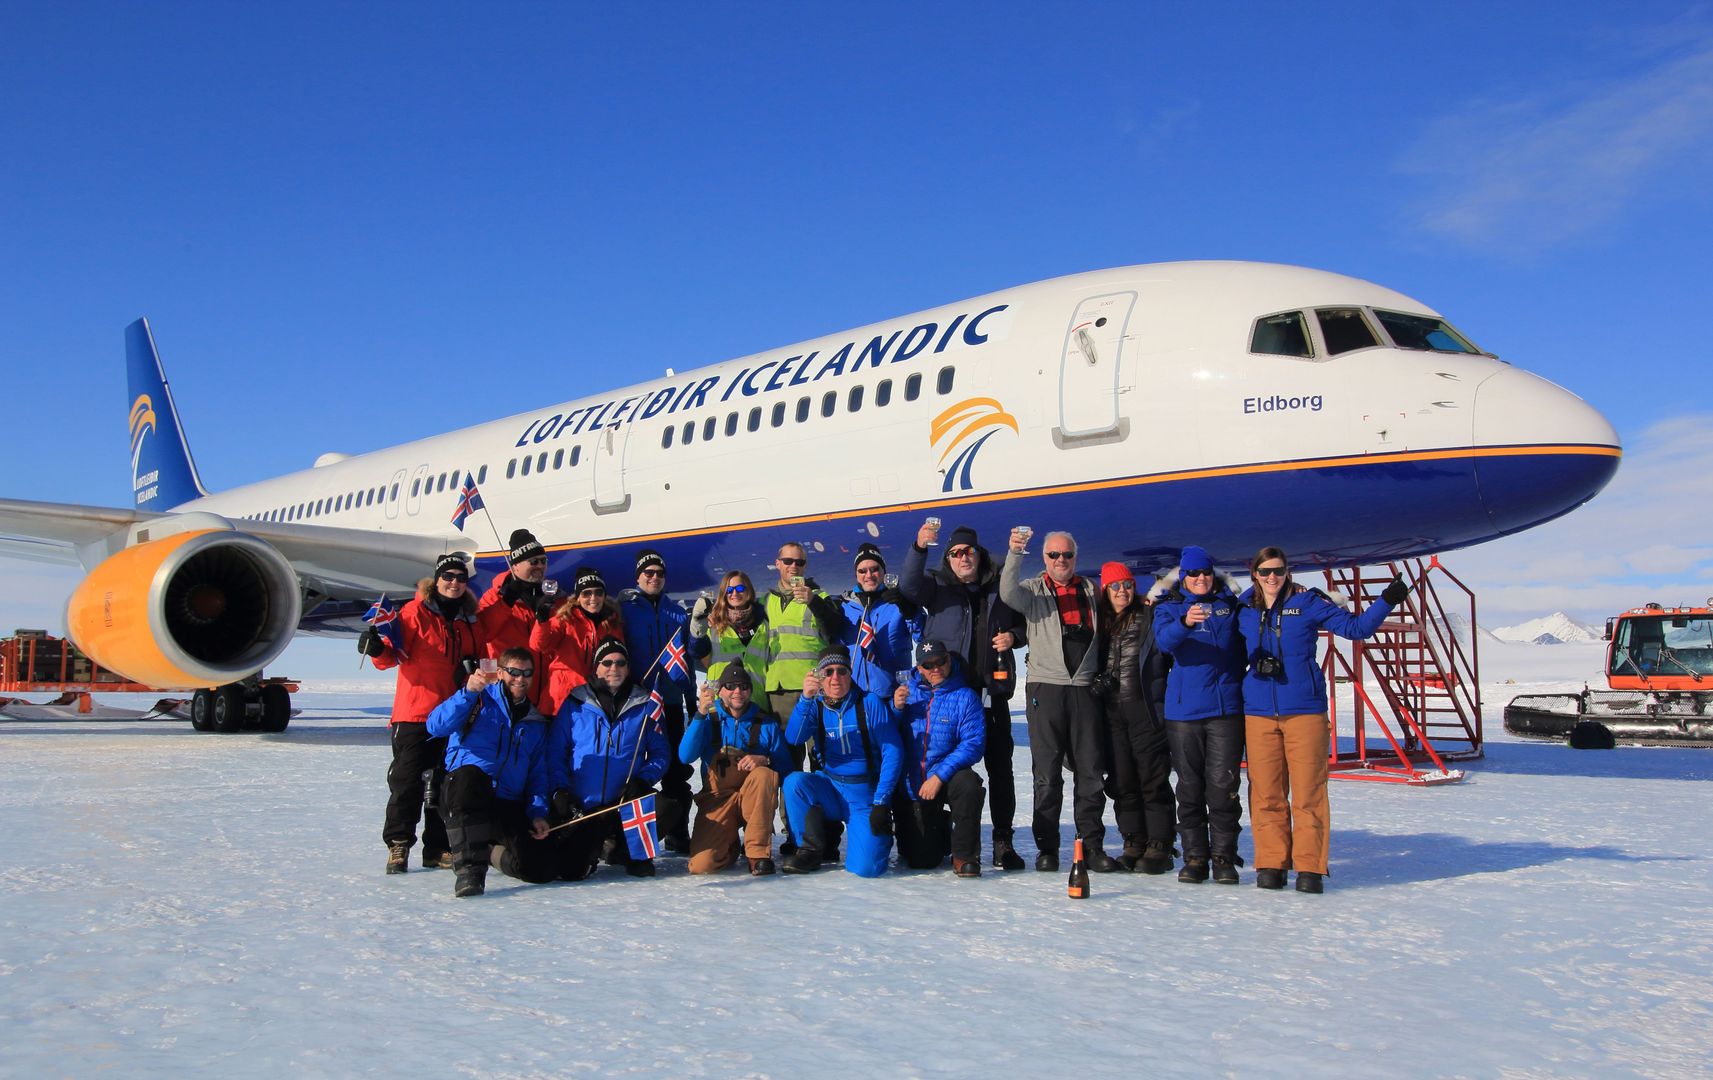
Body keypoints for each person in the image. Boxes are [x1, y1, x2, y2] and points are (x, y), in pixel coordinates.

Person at [1238, 547, 1408, 894]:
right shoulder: (1244, 609)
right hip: (1257, 712)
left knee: (1308, 792)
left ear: (1288, 572)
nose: (1272, 577)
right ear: (1254, 573)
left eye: (1279, 571)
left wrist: (1387, 599)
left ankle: (1309, 867)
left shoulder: (1309, 603)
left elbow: (1356, 628)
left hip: (1304, 711)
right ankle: (1271, 863)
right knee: (1265, 792)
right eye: (1265, 571)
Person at [900, 521, 1027, 869]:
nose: (962, 558)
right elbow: (909, 586)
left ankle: (1003, 841)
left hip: (991, 694)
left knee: (1001, 771)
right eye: (955, 553)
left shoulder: (999, 584)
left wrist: (1014, 636)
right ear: (949, 558)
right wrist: (919, 546)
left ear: (978, 553)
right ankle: (939, 830)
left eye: (967, 551)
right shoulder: (938, 587)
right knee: (951, 769)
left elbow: (1023, 620)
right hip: (949, 695)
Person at [999, 529, 1119, 872]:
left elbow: (1120, 610)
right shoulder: (1033, 592)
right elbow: (1007, 592)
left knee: (1090, 771)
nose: (1061, 561)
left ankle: (1092, 846)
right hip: (1045, 689)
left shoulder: (1090, 591)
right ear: (1045, 559)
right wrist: (1015, 553)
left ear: (1075, 558)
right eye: (1053, 555)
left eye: (1067, 555)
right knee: (1047, 775)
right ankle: (1047, 848)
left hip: (1084, 689)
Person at [360, 552, 486, 875]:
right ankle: (398, 845)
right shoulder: (413, 613)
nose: (454, 583)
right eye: (448, 577)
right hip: (414, 713)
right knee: (407, 783)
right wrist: (375, 648)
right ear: (437, 580)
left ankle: (437, 848)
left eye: (460, 578)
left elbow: (484, 658)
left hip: (453, 716)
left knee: (445, 784)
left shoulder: (470, 620)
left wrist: (481, 675)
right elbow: (390, 654)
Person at [1152, 545, 1248, 885]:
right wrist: (1185, 622)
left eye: (1205, 572)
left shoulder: (1231, 606)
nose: (1200, 579)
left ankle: (1223, 856)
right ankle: (1195, 856)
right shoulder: (1170, 609)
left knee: (1223, 787)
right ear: (1184, 577)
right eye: (1193, 574)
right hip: (1185, 713)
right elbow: (1164, 642)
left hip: (1225, 710)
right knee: (1190, 788)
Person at [426, 646, 553, 897]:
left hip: (506, 801)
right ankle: (470, 871)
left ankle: (488, 848)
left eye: (527, 673)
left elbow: (538, 775)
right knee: (470, 776)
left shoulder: (535, 723)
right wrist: (468, 692)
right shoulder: (479, 699)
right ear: (501, 672)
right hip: (465, 793)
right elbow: (435, 726)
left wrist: (538, 813)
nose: (521, 679)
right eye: (514, 672)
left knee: (540, 868)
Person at [540, 638, 671, 879]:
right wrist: (560, 790)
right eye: (607, 662)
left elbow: (661, 753)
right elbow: (555, 752)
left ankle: (626, 851)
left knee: (668, 807)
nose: (614, 668)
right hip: (585, 807)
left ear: (628, 668)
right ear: (596, 667)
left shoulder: (644, 704)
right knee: (571, 871)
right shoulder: (576, 703)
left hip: (625, 802)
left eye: (620, 663)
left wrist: (643, 780)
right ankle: (597, 847)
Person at [781, 645, 904, 876]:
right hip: (831, 788)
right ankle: (809, 850)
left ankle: (878, 839)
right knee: (794, 783)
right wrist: (805, 699)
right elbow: (794, 738)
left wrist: (881, 801)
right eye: (828, 672)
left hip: (864, 794)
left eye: (842, 671)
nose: (835, 678)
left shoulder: (870, 703)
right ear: (820, 676)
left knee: (866, 869)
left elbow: (893, 752)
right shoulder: (815, 705)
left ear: (850, 674)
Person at [618, 548, 706, 855]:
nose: (654, 578)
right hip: (636, 702)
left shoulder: (675, 612)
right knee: (633, 770)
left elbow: (688, 657)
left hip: (668, 701)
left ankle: (677, 832)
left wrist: (691, 698)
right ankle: (623, 836)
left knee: (675, 769)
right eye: (648, 573)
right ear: (638, 576)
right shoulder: (625, 609)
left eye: (659, 573)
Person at [1095, 562, 1177, 874]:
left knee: (1152, 779)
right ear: (1106, 590)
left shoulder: (1150, 616)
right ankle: (1133, 840)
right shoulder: (1101, 623)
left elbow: (1170, 645)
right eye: (1115, 586)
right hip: (1113, 713)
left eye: (1127, 585)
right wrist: (1097, 682)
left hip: (1145, 709)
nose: (1122, 591)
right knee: (1122, 781)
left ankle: (1160, 844)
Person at [679, 664, 795, 875]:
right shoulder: (709, 719)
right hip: (718, 799)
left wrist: (765, 759)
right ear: (720, 690)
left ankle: (758, 854)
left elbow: (786, 769)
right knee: (702, 866)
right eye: (730, 686)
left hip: (753, 799)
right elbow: (685, 756)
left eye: (743, 687)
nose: (737, 692)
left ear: (750, 691)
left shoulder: (766, 723)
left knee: (764, 775)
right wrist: (700, 714)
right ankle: (729, 844)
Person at [891, 640, 987, 877]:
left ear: (949, 659)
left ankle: (965, 856)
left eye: (940, 661)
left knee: (968, 784)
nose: (936, 668)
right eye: (928, 664)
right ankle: (939, 826)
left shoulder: (965, 696)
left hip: (944, 778)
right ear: (919, 668)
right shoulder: (906, 695)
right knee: (921, 859)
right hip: (913, 784)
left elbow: (973, 743)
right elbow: (886, 740)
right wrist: (895, 710)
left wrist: (939, 775)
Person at [762, 542, 842, 728]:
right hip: (779, 690)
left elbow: (835, 628)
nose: (794, 566)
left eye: (799, 562)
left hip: (814, 685)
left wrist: (813, 602)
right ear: (778, 563)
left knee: (818, 751)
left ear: (805, 565)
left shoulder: (819, 597)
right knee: (786, 754)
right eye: (788, 561)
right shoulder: (766, 601)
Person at [531, 565, 625, 715]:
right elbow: (539, 645)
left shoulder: (612, 623)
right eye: (586, 593)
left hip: (595, 700)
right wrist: (542, 620)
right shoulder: (565, 619)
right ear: (578, 597)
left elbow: (621, 659)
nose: (593, 598)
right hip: (561, 700)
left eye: (598, 593)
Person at [833, 543, 919, 699]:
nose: (869, 575)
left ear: (884, 571)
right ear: (856, 575)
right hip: (855, 697)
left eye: (874, 569)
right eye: (862, 571)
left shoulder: (898, 602)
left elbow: (922, 635)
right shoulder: (844, 607)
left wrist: (910, 610)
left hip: (893, 696)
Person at [477, 528, 552, 703]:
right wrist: (506, 602)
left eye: (543, 561)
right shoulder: (493, 596)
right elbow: (483, 635)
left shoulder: (551, 598)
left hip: (545, 697)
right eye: (533, 561)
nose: (540, 566)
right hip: (507, 693)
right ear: (515, 565)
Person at [694, 569, 770, 694]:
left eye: (740, 589)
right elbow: (700, 654)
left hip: (756, 700)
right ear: (724, 593)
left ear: (749, 591)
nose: (734, 593)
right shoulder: (713, 624)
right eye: (729, 590)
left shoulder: (762, 625)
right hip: (721, 701)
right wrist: (697, 625)